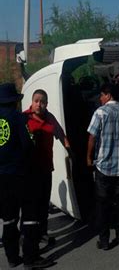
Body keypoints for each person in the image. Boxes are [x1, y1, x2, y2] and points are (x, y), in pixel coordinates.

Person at [0, 83, 53, 269]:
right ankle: (31, 258)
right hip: (21, 176)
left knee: (9, 220)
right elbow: (27, 146)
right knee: (30, 217)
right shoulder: (17, 118)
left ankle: (12, 258)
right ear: (14, 101)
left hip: (2, 179)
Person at [23, 89, 71, 246]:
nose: (39, 104)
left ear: (46, 104)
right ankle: (28, 238)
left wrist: (70, 152)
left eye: (42, 101)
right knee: (31, 207)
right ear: (32, 102)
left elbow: (61, 135)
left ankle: (42, 233)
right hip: (29, 172)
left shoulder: (50, 118)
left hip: (45, 169)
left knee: (43, 204)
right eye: (36, 100)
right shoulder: (24, 118)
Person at [87, 83, 119, 250]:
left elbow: (92, 137)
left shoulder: (100, 112)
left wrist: (88, 157)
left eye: (102, 95)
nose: (100, 98)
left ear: (108, 95)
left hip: (104, 167)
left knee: (103, 205)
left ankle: (104, 241)